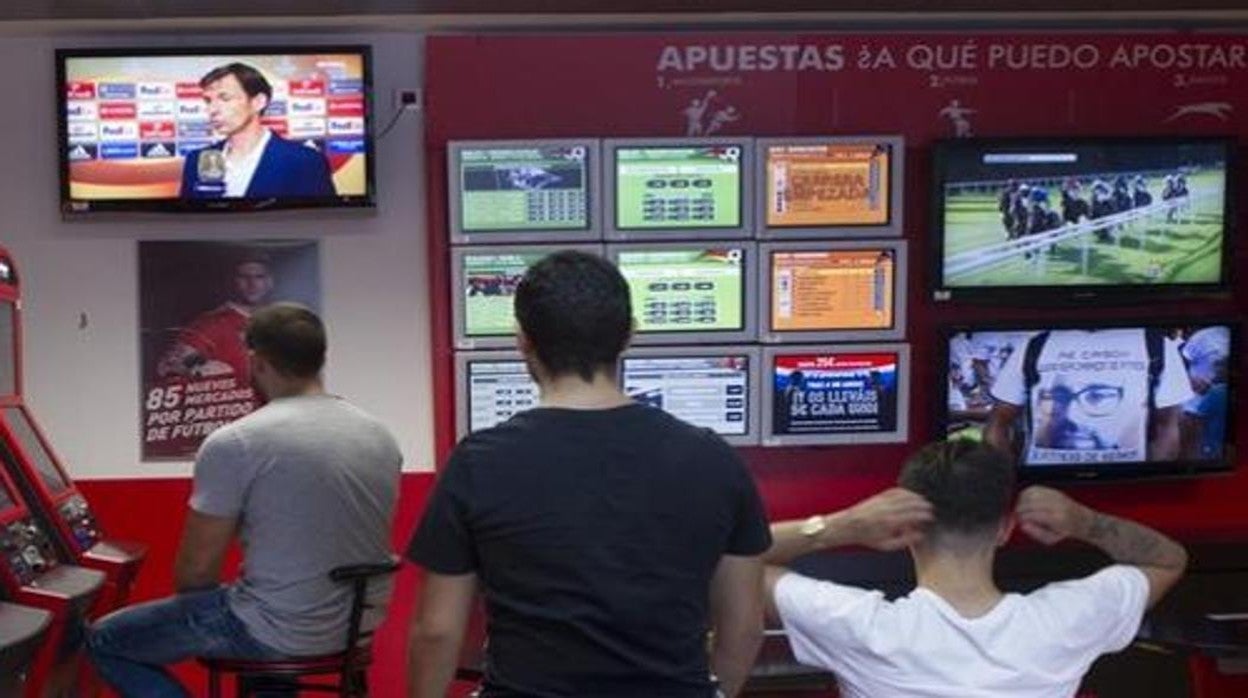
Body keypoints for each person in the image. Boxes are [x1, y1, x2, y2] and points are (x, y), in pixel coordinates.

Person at [406, 250, 771, 697]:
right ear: (628, 337)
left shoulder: (478, 463)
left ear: (523, 340)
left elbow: (437, 630)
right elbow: (745, 627)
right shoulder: (713, 460)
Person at [88, 303, 403, 697]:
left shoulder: (238, 442)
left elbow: (196, 572)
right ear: (320, 358)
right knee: (262, 610)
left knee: (105, 640)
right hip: (355, 627)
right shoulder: (379, 436)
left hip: (276, 627)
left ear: (255, 360)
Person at [763, 439, 1188, 698]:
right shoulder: (1068, 619)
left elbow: (729, 557)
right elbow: (1167, 558)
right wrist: (1084, 522)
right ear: (1005, 530)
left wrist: (838, 528)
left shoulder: (861, 626)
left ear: (907, 529)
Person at [984, 327, 1193, 465]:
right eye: (1059, 397)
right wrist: (1008, 484)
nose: (1073, 416)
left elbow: (1168, 427)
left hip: (1126, 488)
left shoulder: (1157, 346)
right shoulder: (1033, 346)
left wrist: (1151, 484)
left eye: (1098, 397)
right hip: (1041, 491)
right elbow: (998, 424)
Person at [180, 62, 335, 199]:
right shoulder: (196, 160)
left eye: (225, 98)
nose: (212, 109)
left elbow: (318, 223)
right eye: (208, 100)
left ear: (258, 102)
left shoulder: (305, 162)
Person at [155, 249, 275, 385]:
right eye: (243, 277)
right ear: (231, 281)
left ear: (270, 282)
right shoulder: (209, 323)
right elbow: (167, 369)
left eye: (259, 277)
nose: (252, 284)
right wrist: (203, 374)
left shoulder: (279, 323)